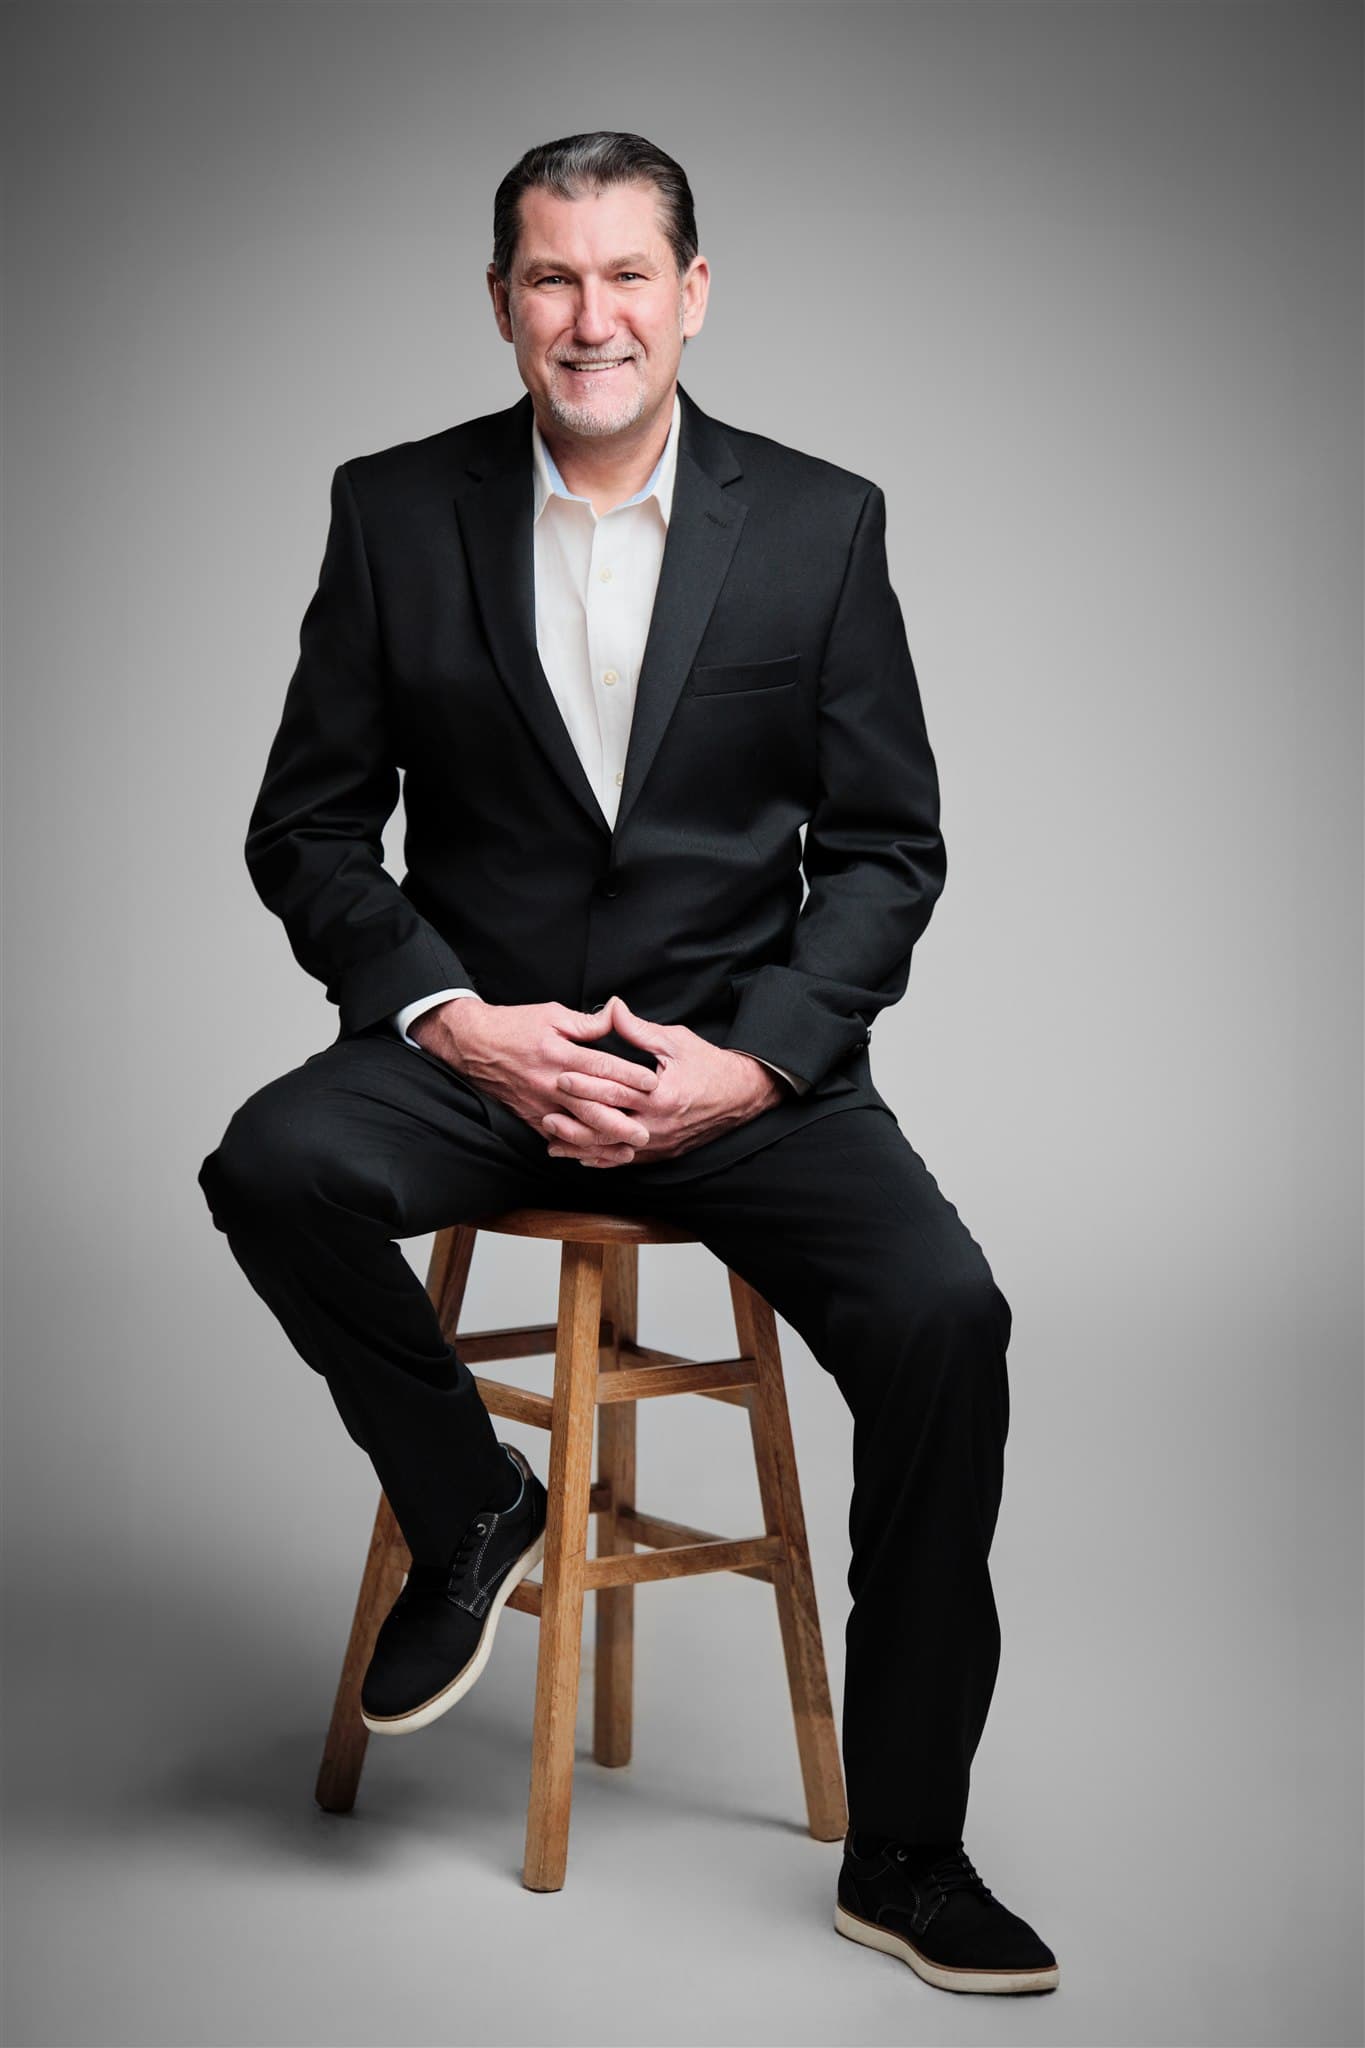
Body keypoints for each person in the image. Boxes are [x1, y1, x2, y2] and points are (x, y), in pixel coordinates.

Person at [198, 129, 1058, 1999]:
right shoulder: (390, 509)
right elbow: (311, 832)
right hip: (482, 1056)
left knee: (947, 1324)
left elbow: (889, 852)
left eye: (624, 275)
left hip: (734, 1072)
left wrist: (751, 1066)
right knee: (268, 1165)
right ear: (500, 300)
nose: (589, 317)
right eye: (548, 277)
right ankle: (471, 1502)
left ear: (691, 292)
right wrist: (454, 1020)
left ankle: (907, 1848)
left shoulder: (821, 521)